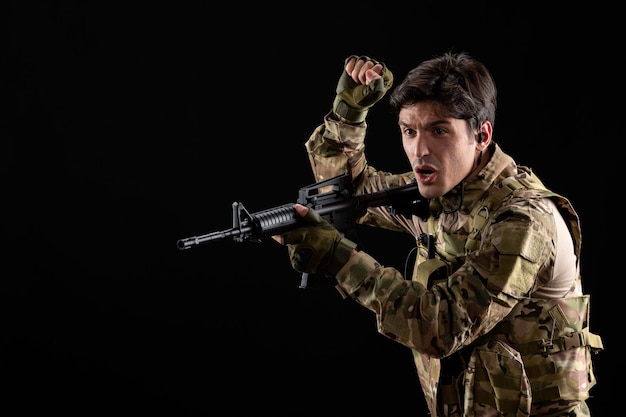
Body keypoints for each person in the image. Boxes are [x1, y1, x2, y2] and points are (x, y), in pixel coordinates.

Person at [272, 52, 604, 416]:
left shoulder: (522, 220)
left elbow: (442, 327)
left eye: (439, 130)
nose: (419, 150)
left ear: (481, 135)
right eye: (409, 131)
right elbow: (347, 193)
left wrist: (340, 259)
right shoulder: (442, 191)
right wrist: (349, 112)